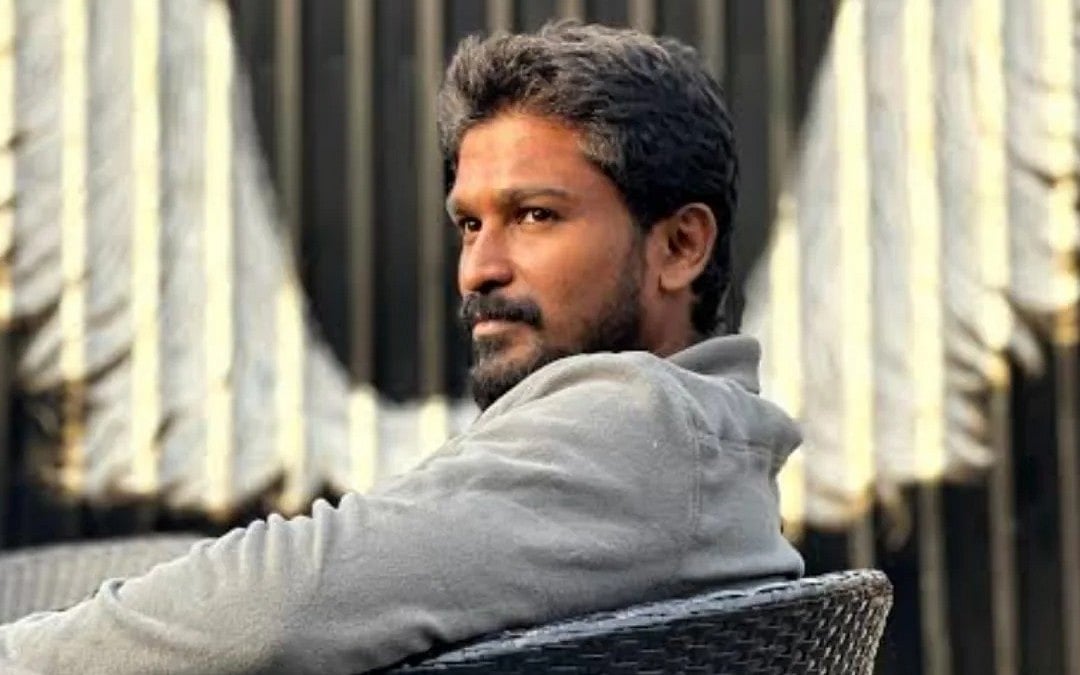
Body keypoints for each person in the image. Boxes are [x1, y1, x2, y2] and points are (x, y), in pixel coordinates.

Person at [0, 21, 803, 675]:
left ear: (680, 245)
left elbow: (281, 603)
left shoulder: (637, 425)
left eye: (534, 215)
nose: (479, 268)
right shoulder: (701, 442)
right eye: (470, 223)